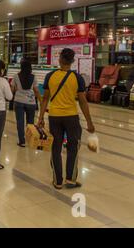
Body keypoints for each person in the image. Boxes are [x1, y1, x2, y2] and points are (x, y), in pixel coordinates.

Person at [37, 48, 95, 190]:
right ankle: (70, 179)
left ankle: (57, 181)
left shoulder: (50, 76)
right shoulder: (77, 78)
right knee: (72, 148)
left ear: (60, 59)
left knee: (56, 147)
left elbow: (45, 99)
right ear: (73, 61)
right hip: (71, 117)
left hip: (54, 117)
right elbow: (82, 102)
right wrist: (89, 122)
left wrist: (40, 117)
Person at [11, 59, 42, 147]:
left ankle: (22, 141)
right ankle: (30, 140)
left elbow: (12, 89)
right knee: (30, 123)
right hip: (31, 102)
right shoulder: (33, 76)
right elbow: (36, 90)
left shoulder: (16, 76)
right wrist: (41, 100)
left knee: (20, 122)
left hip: (19, 101)